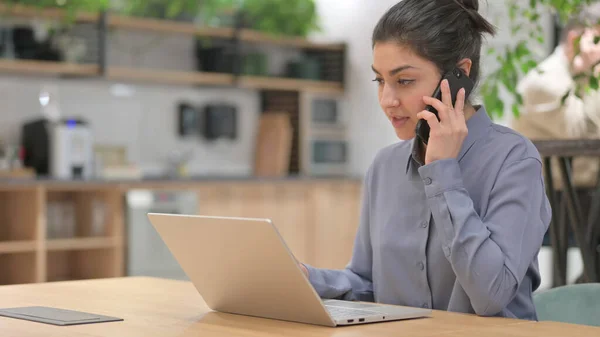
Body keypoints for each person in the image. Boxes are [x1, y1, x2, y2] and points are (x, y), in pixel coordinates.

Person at [299, 0, 551, 320]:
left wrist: (442, 174)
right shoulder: (384, 167)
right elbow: (367, 283)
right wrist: (307, 277)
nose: (387, 100)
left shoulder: (514, 160)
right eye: (380, 80)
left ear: (459, 75)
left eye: (403, 81)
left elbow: (492, 294)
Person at [512, 2, 600, 189]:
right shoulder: (544, 82)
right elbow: (586, 137)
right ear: (574, 40)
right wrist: (594, 76)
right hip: (557, 205)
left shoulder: (576, 75)